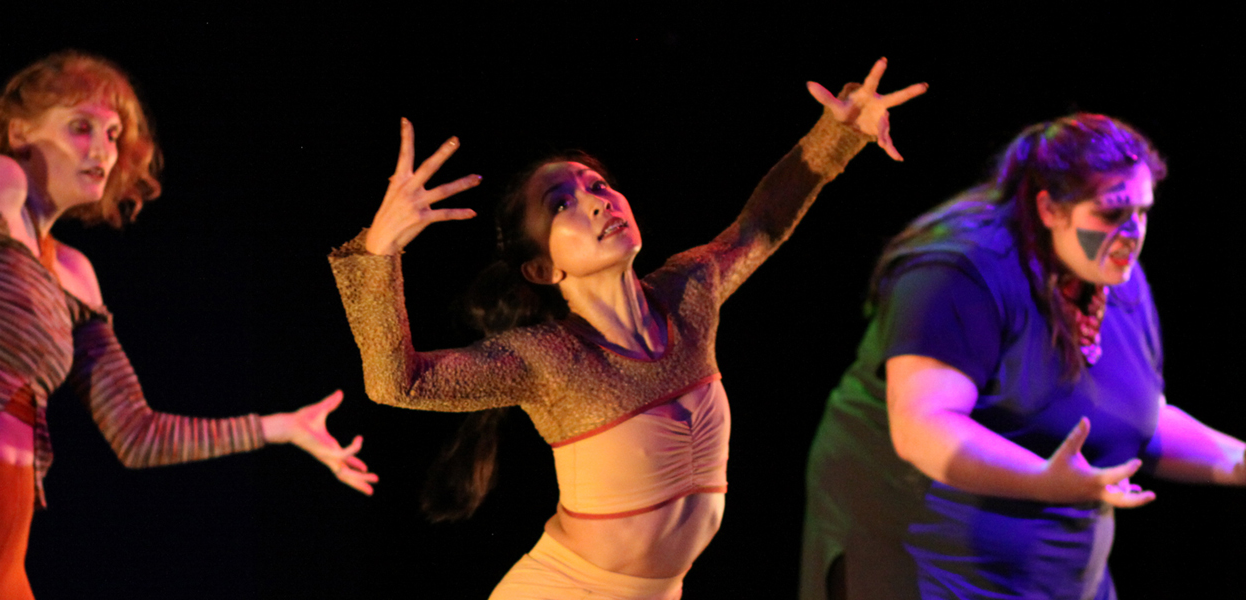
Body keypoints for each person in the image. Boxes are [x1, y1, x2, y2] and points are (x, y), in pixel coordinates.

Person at [330, 58, 925, 599]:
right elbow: (397, 384)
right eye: (561, 204)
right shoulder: (547, 358)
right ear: (544, 268)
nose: (594, 201)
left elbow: (763, 223)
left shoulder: (689, 293)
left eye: (596, 185)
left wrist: (841, 132)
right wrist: (377, 252)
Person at [0, 50, 378, 600]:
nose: (103, 149)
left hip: (4, 562)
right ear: (19, 130)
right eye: (81, 127)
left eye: (113, 133)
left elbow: (137, 433)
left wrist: (280, 427)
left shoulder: (76, 275)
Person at [799, 113, 1246, 600]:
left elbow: (1137, 416)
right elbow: (924, 425)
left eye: (1142, 211)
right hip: (919, 551)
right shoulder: (959, 274)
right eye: (1113, 212)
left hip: (1054, 563)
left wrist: (1238, 460)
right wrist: (1042, 479)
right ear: (1050, 208)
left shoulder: (1118, 277)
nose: (1134, 233)